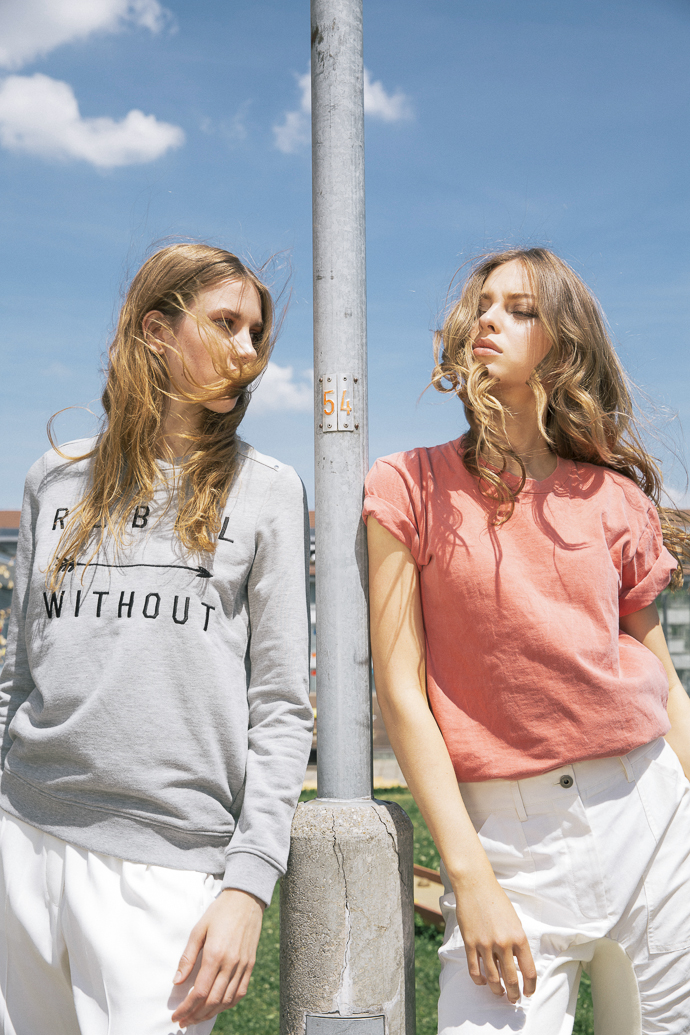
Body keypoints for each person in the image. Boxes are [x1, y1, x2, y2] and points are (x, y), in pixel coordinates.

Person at [364, 248, 690, 1034]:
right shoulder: (407, 484)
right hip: (506, 843)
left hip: (651, 818)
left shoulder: (615, 497)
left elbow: (662, 676)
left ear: (562, 343)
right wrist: (469, 877)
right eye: (482, 304)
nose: (488, 318)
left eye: (520, 309)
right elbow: (401, 690)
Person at [0, 243, 313, 1035]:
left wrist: (248, 885)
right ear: (156, 331)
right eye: (226, 323)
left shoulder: (267, 490)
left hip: (166, 864)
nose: (248, 349)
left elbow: (282, 707)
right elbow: (20, 671)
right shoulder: (52, 478)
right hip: (20, 837)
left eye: (255, 332)